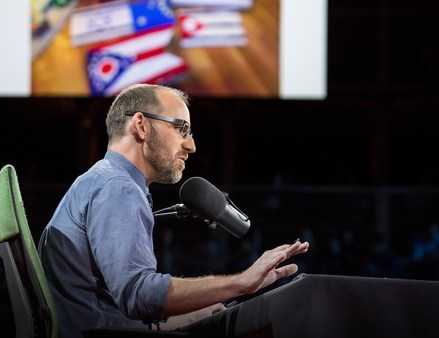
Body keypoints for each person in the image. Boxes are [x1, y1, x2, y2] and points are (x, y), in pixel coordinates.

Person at [38, 84, 309, 338]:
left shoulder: (101, 180)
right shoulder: (118, 188)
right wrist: (242, 282)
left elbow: (114, 310)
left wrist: (190, 315)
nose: (191, 146)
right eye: (181, 128)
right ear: (141, 126)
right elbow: (138, 295)